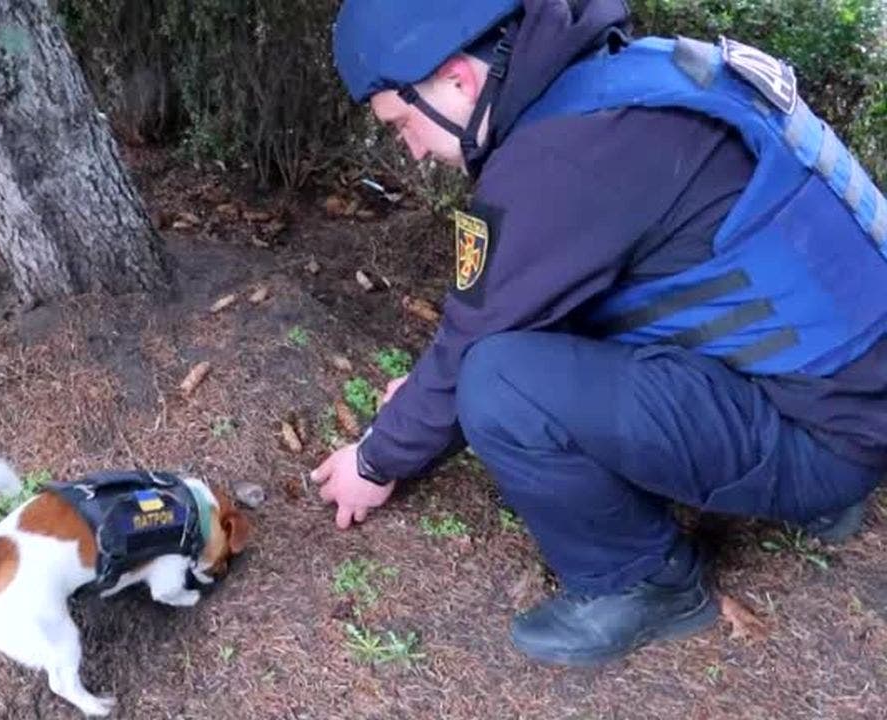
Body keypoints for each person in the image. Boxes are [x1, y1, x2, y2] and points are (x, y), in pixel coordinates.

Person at [312, 0, 887, 667]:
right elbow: (566, 294)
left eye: (402, 122)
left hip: (826, 441)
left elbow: (475, 342)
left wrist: (375, 461)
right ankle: (816, 486)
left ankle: (645, 583)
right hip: (853, 394)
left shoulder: (560, 161)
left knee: (498, 383)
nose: (410, 148)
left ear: (458, 80)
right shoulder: (630, 78)